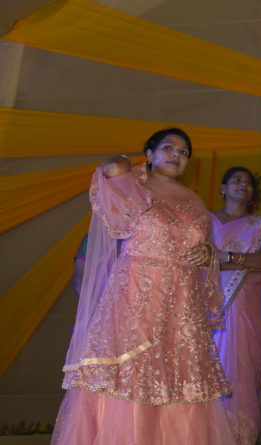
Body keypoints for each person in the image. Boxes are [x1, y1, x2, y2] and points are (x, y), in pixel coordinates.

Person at [53, 128, 236, 445]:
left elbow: (202, 251)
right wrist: (130, 166)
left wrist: (208, 253)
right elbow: (112, 168)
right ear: (149, 154)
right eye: (168, 147)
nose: (176, 155)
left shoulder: (194, 200)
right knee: (133, 376)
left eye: (183, 152)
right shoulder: (134, 186)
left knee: (179, 382)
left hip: (181, 307)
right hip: (137, 299)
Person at [210, 166, 261, 444]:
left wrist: (227, 258)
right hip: (207, 309)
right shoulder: (204, 222)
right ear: (223, 188)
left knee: (242, 374)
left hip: (249, 308)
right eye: (236, 180)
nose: (242, 184)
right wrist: (247, 262)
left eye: (248, 182)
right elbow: (195, 261)